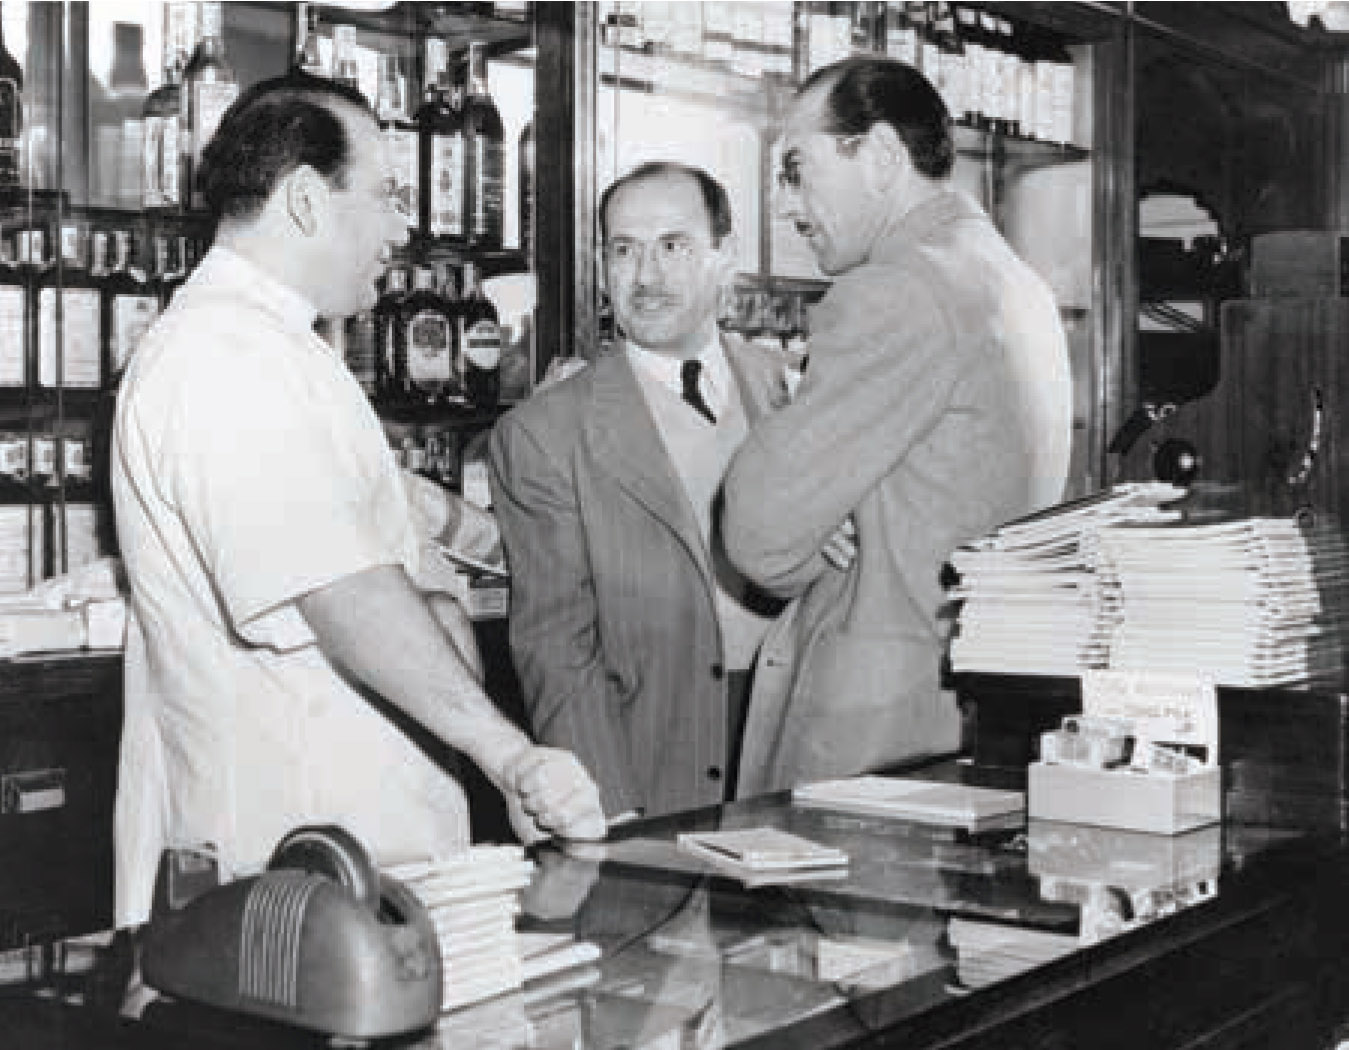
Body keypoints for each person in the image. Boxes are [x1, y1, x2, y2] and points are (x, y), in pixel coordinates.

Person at [110, 74, 604, 927]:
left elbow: (401, 583)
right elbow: (345, 594)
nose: (402, 227)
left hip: (354, 861)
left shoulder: (282, 354)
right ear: (305, 199)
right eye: (384, 195)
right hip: (285, 875)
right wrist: (509, 756)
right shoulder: (221, 358)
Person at [723, 57, 1073, 796]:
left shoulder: (896, 288)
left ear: (880, 155)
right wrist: (845, 502)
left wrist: (824, 508)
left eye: (796, 167)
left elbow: (754, 531)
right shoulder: (1013, 281)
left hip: (873, 734)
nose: (787, 202)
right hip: (970, 710)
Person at [489, 161, 787, 821]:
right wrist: (610, 817)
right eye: (624, 250)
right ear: (602, 266)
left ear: (724, 255)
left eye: (673, 247)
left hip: (793, 752)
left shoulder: (787, 389)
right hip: (650, 763)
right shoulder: (545, 432)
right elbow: (555, 649)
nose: (646, 277)